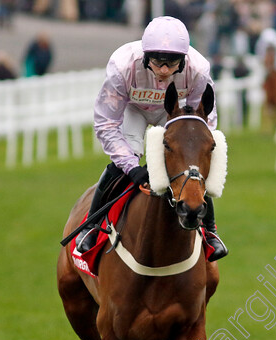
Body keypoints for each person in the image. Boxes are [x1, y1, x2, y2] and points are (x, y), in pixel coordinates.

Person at [77, 16, 228, 261]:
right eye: (158, 62)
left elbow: (203, 122)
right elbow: (106, 123)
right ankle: (91, 226)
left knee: (193, 169)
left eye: (172, 63)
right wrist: (131, 167)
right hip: (133, 110)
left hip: (174, 113)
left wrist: (193, 152)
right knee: (123, 164)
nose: (165, 70)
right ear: (146, 56)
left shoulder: (198, 70)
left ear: (184, 59)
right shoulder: (122, 66)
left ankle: (210, 232)